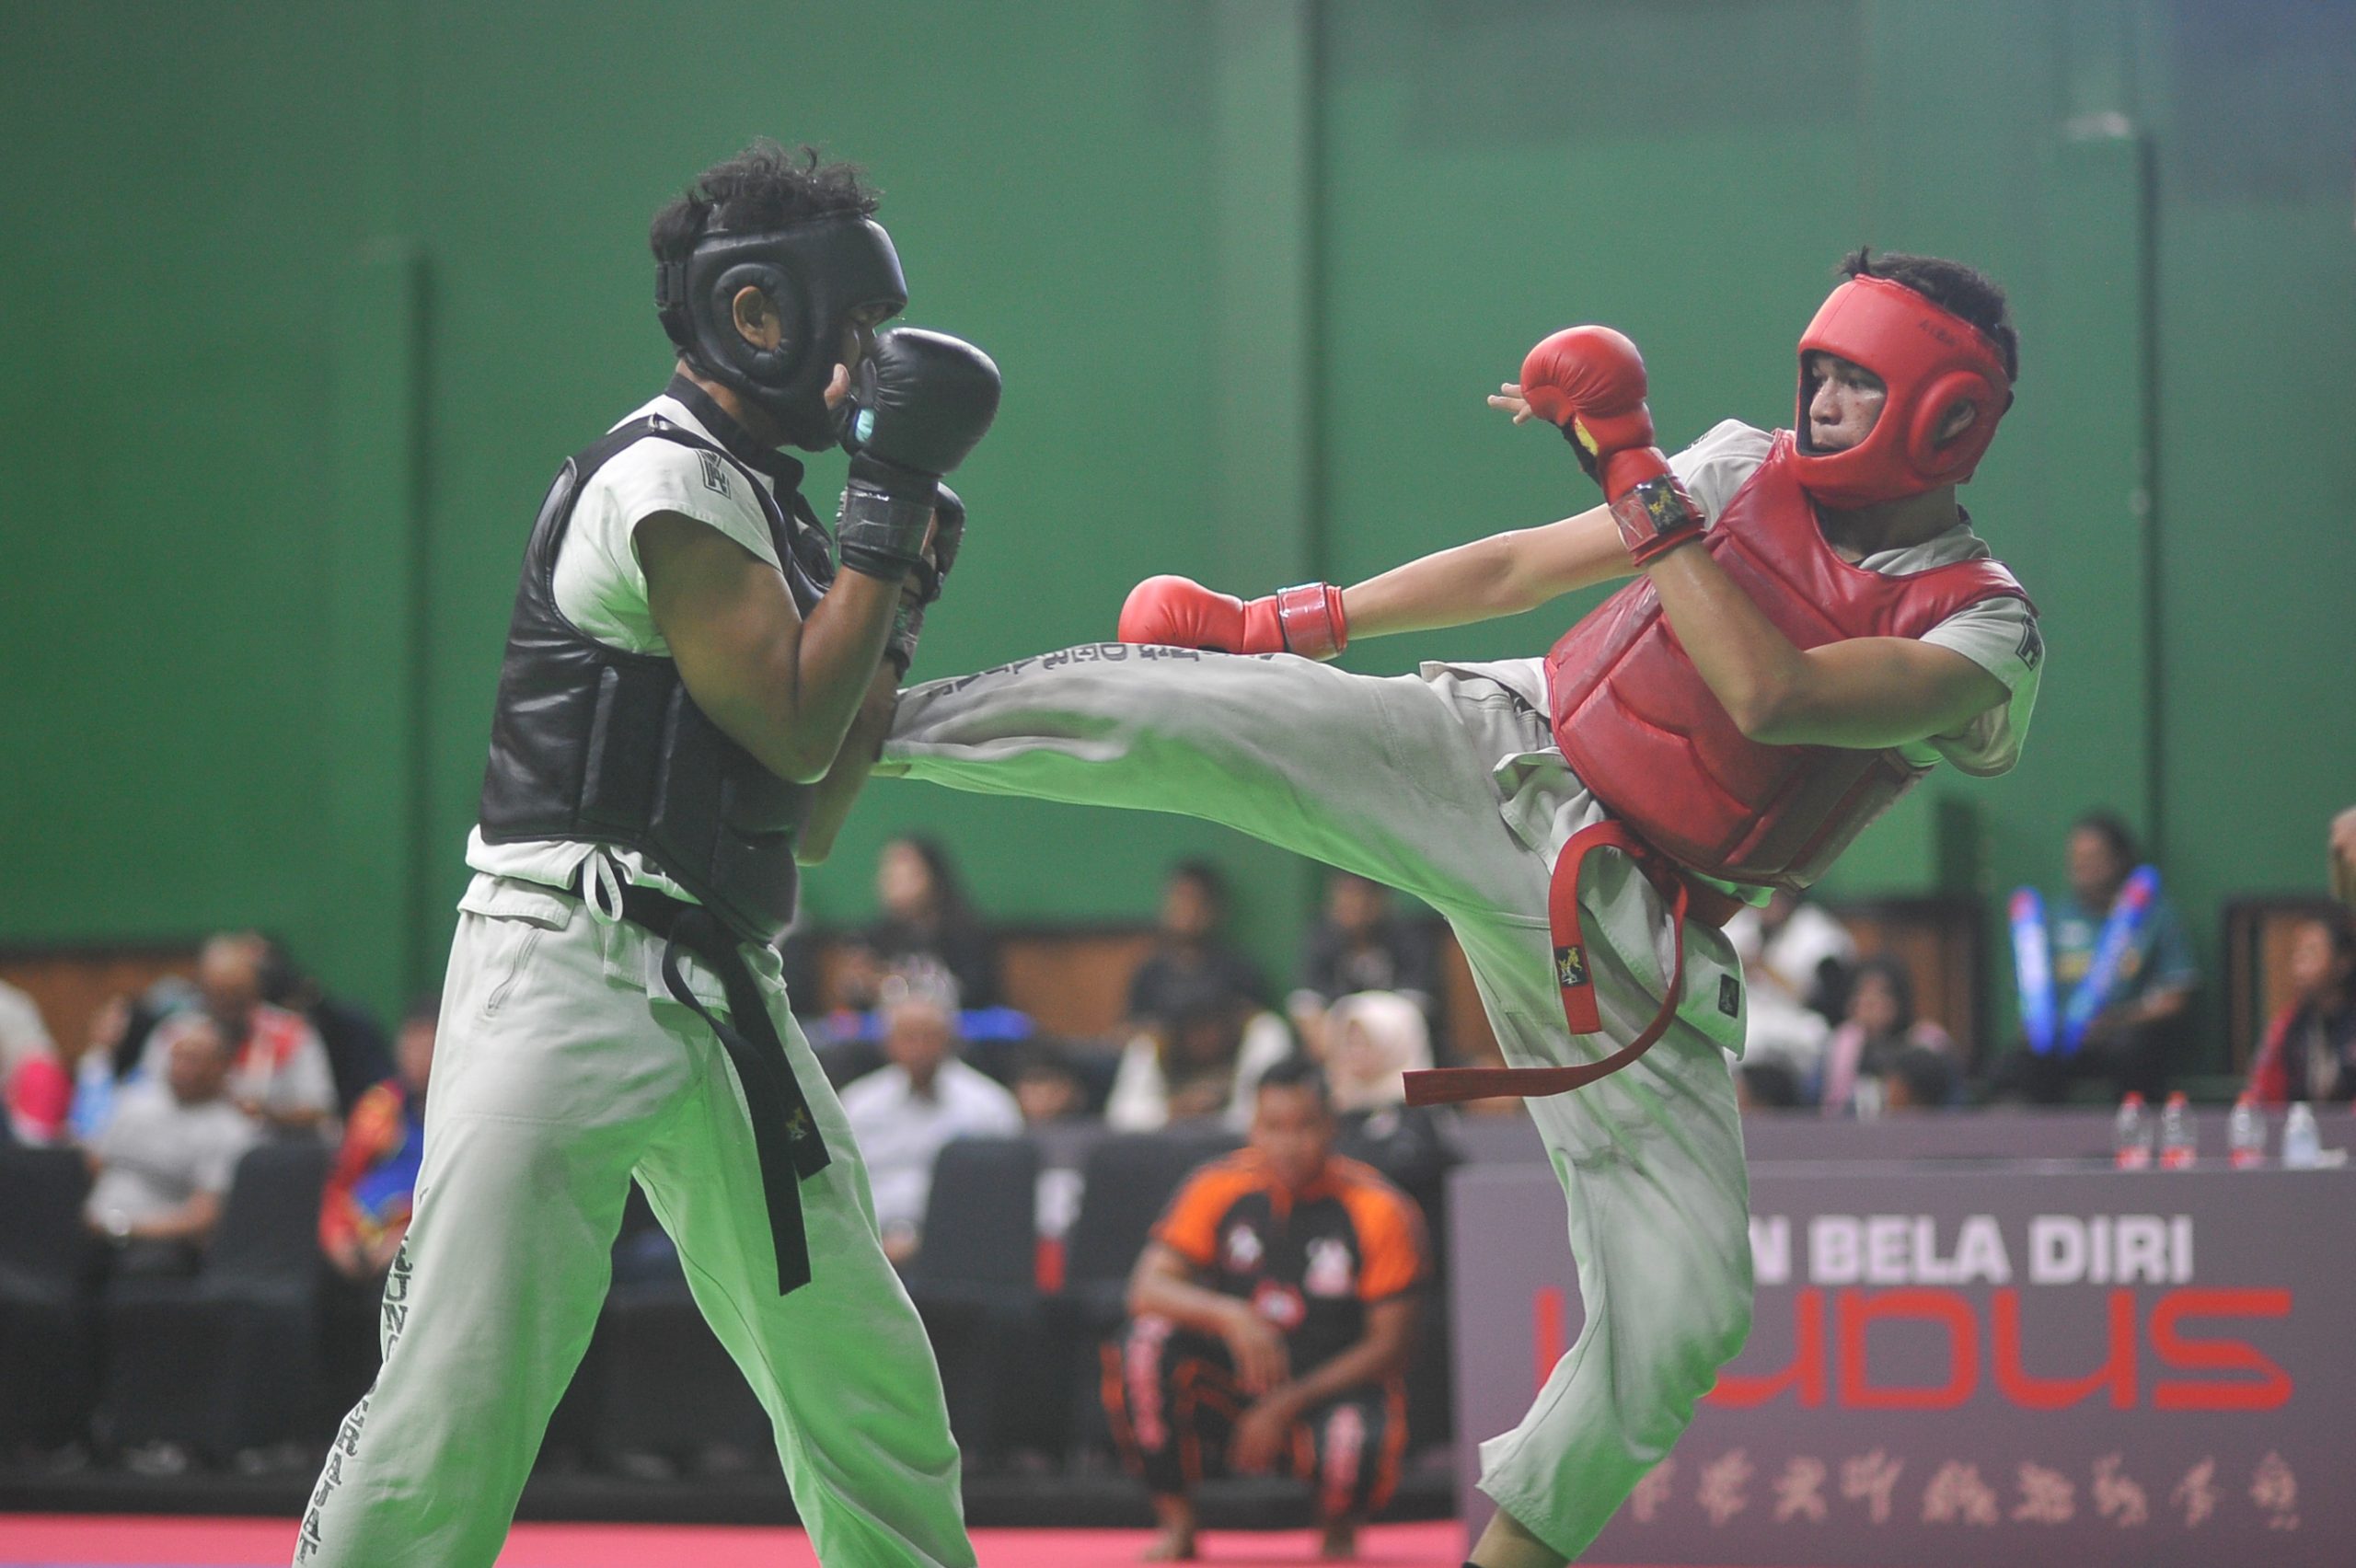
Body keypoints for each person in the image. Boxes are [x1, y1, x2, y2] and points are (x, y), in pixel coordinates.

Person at [883, 248, 2039, 1565]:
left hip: (1627, 936)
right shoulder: (1736, 466)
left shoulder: (1986, 634)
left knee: (1686, 1311)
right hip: (1505, 755)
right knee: (1197, 709)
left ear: (1947, 414)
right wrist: (1282, 624)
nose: (1821, 403)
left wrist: (1629, 467)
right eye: (1817, 372)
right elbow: (1512, 573)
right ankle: (861, 731)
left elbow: (1776, 696)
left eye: (1857, 382)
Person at [292, 143, 999, 1567]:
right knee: (459, 1393)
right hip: (567, 969)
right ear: (759, 312)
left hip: (725, 983)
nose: (868, 365)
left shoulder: (774, 510)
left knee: (861, 1376)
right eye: (855, 327)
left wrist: (897, 588)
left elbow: (813, 808)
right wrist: (883, 528)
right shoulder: (661, 481)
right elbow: (792, 726)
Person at [1107, 1058, 1425, 1562]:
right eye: (1273, 1127)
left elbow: (1391, 1345)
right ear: (1253, 1127)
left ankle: (1339, 1534)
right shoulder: (1216, 1185)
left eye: (1305, 1126)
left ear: (1332, 1126)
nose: (1288, 1144)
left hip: (1326, 1390)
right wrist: (1232, 1316)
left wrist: (1285, 1404)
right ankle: (1178, 1525)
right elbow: (1147, 1288)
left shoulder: (1379, 1208)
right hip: (1236, 1382)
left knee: (1352, 1438)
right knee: (1144, 1342)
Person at [1992, 811, 2198, 1102]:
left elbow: (2175, 999)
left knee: (2133, 1050)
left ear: (2119, 859)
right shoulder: (2055, 918)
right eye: (2076, 857)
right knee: (2011, 1067)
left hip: (2124, 1036)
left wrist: (2115, 1021)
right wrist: (2037, 1027)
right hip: (2061, 1043)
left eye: (2093, 857)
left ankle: (2132, 1128)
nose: (2083, 866)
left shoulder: (2155, 917)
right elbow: (2031, 996)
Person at [837, 975, 1022, 1265]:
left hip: (958, 1251)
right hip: (867, 1248)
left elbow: (1002, 1196)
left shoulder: (989, 1105)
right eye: (908, 1037)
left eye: (930, 1036)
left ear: (951, 1038)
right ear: (888, 1042)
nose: (919, 1048)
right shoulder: (857, 1103)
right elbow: (839, 1189)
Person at [84, 1017, 259, 1267]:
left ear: (220, 1068)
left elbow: (203, 1217)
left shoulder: (230, 1131)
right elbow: (94, 1165)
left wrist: (125, 1229)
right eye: (177, 1057)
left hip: (159, 1242)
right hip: (94, 1225)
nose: (180, 1068)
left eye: (193, 1060)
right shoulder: (133, 1100)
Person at [143, 933, 337, 1136]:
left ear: (256, 990)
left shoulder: (292, 1033)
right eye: (219, 995)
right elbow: (145, 1096)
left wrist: (265, 1115)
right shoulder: (174, 1035)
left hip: (268, 1144)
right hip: (180, 1140)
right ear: (203, 990)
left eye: (237, 994)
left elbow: (320, 1109)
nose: (228, 1005)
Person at [837, 835, 999, 1009]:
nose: (894, 884)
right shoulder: (870, 939)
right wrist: (862, 985)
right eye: (889, 874)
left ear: (934, 877)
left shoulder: (965, 934)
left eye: (907, 874)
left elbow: (978, 993)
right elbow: (856, 1002)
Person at [1289, 871, 1439, 1056]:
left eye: (1358, 898)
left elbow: (1414, 1005)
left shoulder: (1408, 940)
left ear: (1379, 902)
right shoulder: (1322, 940)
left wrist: (1367, 1028)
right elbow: (1308, 1002)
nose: (1350, 907)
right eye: (1343, 899)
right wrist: (1323, 1034)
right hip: (1338, 1045)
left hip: (1396, 1045)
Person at [1725, 890, 1857, 1082]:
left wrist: (1768, 971)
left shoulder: (1818, 935)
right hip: (1751, 1018)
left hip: (1799, 1023)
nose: (1767, 905)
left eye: (1775, 897)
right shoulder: (1744, 924)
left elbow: (1828, 1003)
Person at [1815, 954, 1954, 1115]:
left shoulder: (1929, 1043)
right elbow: (1820, 1107)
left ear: (1900, 998)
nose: (1870, 1002)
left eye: (1881, 994)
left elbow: (1953, 1107)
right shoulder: (1840, 1045)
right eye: (1862, 993)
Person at [2246, 909, 2356, 1105]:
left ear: (2343, 962)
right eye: (2297, 953)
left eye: (2311, 952)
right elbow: (2261, 1093)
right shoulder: (2287, 1025)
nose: (2299, 963)